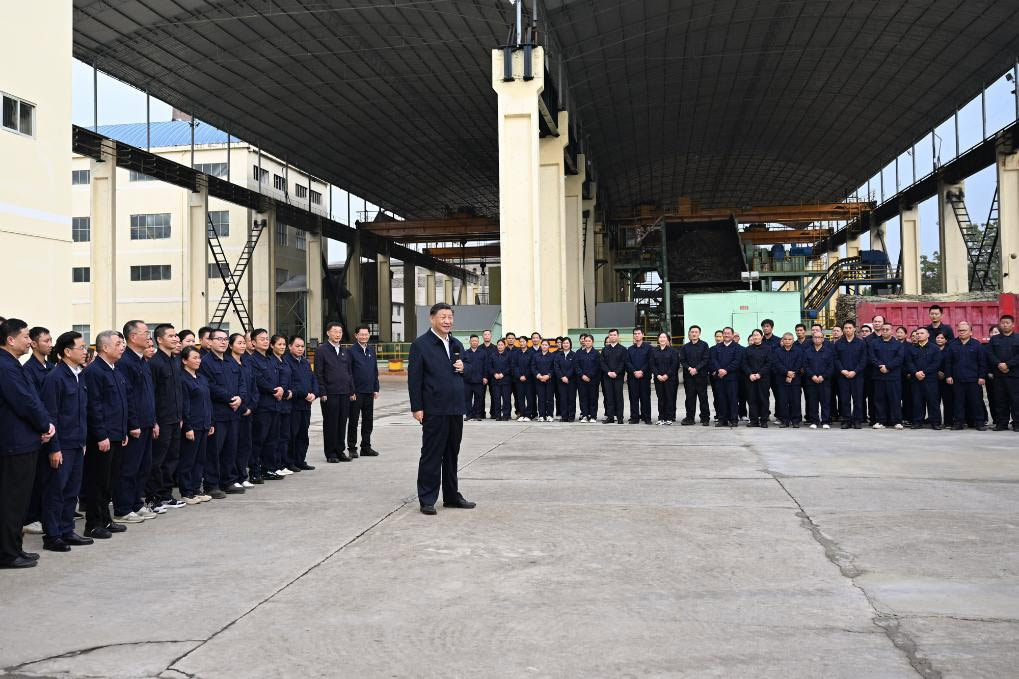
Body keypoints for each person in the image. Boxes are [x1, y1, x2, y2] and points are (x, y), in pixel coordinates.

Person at [408, 303, 475, 515]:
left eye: (450, 317)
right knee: (431, 454)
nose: (447, 321)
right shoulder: (421, 345)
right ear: (432, 319)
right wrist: (417, 407)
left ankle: (451, 496)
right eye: (443, 317)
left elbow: (470, 370)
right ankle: (427, 498)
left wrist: (465, 367)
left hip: (456, 408)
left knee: (452, 454)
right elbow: (414, 378)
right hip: (434, 409)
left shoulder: (456, 344)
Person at [0, 319, 55, 567]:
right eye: (25, 336)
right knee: (12, 501)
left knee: (18, 501)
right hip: (14, 443)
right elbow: (24, 402)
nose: (28, 341)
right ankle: (8, 553)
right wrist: (45, 425)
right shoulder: (5, 366)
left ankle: (15, 549)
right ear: (10, 340)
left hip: (23, 440)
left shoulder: (12, 363)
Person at [40, 331, 93, 552]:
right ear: (67, 352)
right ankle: (52, 536)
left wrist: (83, 441)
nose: (85, 352)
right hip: (61, 445)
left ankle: (66, 530)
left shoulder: (79, 375)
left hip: (77, 443)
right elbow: (51, 415)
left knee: (72, 490)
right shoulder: (55, 378)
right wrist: (54, 448)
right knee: (56, 491)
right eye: (81, 348)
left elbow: (81, 412)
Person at [81, 330, 132, 540]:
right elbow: (94, 407)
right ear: (104, 347)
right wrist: (101, 435)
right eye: (118, 343)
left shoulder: (114, 370)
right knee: (97, 481)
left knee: (109, 481)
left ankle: (106, 518)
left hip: (116, 434)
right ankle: (93, 524)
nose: (122, 346)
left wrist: (123, 430)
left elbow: (120, 404)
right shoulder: (94, 372)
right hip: (101, 438)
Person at [114, 320, 157, 523]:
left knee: (143, 466)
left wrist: (153, 420)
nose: (149, 337)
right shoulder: (125, 362)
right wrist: (133, 423)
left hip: (147, 422)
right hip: (135, 425)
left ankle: (136, 503)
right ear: (132, 337)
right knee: (129, 467)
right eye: (145, 333)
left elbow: (148, 394)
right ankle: (123, 507)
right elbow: (127, 396)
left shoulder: (142, 360)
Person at [199, 328, 246, 496]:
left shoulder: (231, 361)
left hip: (233, 413)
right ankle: (212, 485)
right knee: (214, 451)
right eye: (219, 339)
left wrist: (240, 397)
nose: (223, 342)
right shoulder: (205, 362)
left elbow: (242, 382)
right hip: (217, 414)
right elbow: (210, 386)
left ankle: (229, 481)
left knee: (230, 449)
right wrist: (230, 398)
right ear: (210, 342)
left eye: (225, 339)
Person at [148, 324, 183, 513]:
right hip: (161, 419)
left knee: (172, 458)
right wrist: (154, 421)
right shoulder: (154, 363)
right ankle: (154, 497)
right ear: (159, 340)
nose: (175, 338)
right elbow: (152, 394)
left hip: (175, 418)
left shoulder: (175, 360)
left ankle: (167, 494)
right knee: (158, 460)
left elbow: (178, 392)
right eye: (170, 335)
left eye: (176, 335)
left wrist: (180, 416)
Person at [21, 326, 52, 537]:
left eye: (51, 340)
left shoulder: (51, 367)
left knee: (48, 476)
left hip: (51, 427)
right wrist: (42, 426)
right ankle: (31, 517)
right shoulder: (28, 370)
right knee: (36, 477)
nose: (50, 344)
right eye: (46, 340)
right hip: (39, 429)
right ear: (33, 343)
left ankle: (43, 513)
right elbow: (33, 402)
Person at [178, 346, 213, 505]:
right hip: (192, 425)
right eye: (194, 358)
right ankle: (187, 492)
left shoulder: (201, 378)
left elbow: (208, 401)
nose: (198, 360)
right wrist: (188, 427)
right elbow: (184, 405)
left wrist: (210, 421)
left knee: (200, 459)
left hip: (204, 424)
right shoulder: (182, 379)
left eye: (199, 358)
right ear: (184, 360)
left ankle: (196, 488)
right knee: (188, 460)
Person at [315, 322, 354, 462]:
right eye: (335, 331)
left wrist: (351, 390)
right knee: (331, 423)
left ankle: (340, 451)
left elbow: (349, 372)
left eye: (340, 332)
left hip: (344, 392)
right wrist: (322, 391)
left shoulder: (345, 351)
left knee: (342, 422)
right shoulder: (321, 350)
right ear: (328, 333)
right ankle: (331, 453)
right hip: (329, 393)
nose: (338, 334)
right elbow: (318, 373)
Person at [249, 329, 283, 480]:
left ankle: (269, 469)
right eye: (261, 339)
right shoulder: (251, 360)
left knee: (272, 439)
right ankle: (255, 471)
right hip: (262, 405)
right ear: (253, 343)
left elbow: (280, 376)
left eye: (267, 338)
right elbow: (258, 379)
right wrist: (273, 390)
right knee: (259, 439)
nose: (265, 341)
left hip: (275, 404)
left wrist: (281, 388)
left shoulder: (271, 359)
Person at [945, 321, 989, 430]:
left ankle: (979, 422)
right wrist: (948, 375)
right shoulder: (952, 345)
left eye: (964, 330)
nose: (961, 332)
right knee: (958, 401)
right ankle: (959, 422)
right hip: (957, 379)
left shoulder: (977, 345)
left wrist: (982, 376)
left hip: (973, 379)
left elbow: (982, 362)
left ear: (970, 332)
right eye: (959, 330)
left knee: (976, 401)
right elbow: (948, 362)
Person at [228, 333, 257, 486]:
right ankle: (233, 476)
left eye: (243, 343)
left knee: (246, 444)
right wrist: (242, 407)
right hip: (235, 410)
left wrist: (251, 406)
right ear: (231, 346)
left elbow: (253, 387)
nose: (242, 346)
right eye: (239, 343)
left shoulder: (247, 362)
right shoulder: (228, 363)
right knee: (233, 445)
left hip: (248, 411)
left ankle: (242, 475)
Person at [286, 336, 319, 470]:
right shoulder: (286, 362)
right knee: (292, 434)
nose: (300, 349)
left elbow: (313, 379)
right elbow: (291, 384)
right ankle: (290, 461)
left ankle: (301, 460)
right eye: (297, 346)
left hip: (306, 405)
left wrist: (314, 394)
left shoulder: (305, 362)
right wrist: (305, 394)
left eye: (302, 346)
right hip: (294, 405)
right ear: (290, 346)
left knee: (303, 434)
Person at [348, 325, 380, 457]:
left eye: (366, 334)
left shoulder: (371, 350)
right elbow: (348, 373)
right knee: (354, 421)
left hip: (369, 392)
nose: (364, 337)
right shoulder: (351, 351)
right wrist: (351, 391)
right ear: (356, 335)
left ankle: (366, 447)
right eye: (361, 334)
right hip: (356, 392)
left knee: (368, 420)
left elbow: (375, 371)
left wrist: (376, 388)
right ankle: (352, 448)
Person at [906, 328, 943, 430]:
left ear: (928, 335)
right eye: (917, 334)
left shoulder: (934, 348)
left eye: (921, 333)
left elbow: (936, 363)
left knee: (933, 401)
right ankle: (918, 421)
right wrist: (915, 372)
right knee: (917, 401)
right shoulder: (911, 348)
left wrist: (924, 372)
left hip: (930, 379)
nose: (919, 335)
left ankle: (935, 422)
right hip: (916, 379)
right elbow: (909, 362)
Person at [869, 323, 905, 429]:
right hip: (878, 376)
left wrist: (888, 367)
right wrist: (880, 366)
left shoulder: (898, 344)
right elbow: (872, 357)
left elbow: (899, 358)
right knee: (879, 399)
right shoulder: (874, 343)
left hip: (893, 377)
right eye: (883, 329)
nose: (885, 331)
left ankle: (897, 421)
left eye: (887, 329)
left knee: (895, 399)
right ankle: (880, 421)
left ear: (891, 331)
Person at [988, 314, 1019, 431]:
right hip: (999, 375)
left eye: (1007, 323)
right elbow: (990, 354)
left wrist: (1008, 364)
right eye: (1002, 323)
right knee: (1000, 400)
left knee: (1016, 400)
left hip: (1014, 375)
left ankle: (1017, 423)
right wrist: (999, 364)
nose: (1005, 325)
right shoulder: (994, 339)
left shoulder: (1018, 338)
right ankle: (1002, 423)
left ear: (1013, 324)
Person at [834, 320, 867, 429]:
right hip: (842, 376)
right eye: (846, 328)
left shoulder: (861, 343)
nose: (848, 330)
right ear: (843, 330)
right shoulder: (838, 343)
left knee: (858, 400)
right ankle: (846, 420)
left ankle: (857, 420)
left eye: (850, 328)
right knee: (844, 399)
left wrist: (855, 371)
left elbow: (863, 360)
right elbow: (836, 359)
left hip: (857, 376)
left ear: (854, 329)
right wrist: (842, 370)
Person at [270, 335, 296, 474]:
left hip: (287, 404)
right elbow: (276, 381)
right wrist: (285, 392)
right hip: (277, 401)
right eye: (279, 344)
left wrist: (291, 391)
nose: (282, 347)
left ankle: (282, 463)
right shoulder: (271, 361)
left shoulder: (285, 360)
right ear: (272, 345)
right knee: (276, 436)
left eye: (283, 344)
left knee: (285, 436)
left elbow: (289, 379)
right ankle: (276, 464)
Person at [709, 327, 742, 427]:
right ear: (722, 335)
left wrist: (726, 370)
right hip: (720, 378)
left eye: (729, 333)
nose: (726, 335)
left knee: (733, 399)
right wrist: (719, 370)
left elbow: (737, 361)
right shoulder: (716, 347)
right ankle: (722, 419)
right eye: (725, 333)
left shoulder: (737, 348)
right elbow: (713, 360)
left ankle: (733, 419)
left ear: (732, 335)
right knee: (721, 399)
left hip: (732, 378)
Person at [803, 330, 834, 429]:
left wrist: (823, 376)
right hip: (811, 381)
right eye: (815, 337)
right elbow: (805, 365)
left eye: (820, 337)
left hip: (825, 381)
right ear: (812, 339)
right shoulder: (807, 351)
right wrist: (812, 376)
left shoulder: (828, 352)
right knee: (813, 402)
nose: (817, 339)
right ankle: (814, 421)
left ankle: (825, 421)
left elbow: (831, 366)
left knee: (825, 402)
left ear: (823, 339)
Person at [680, 325, 711, 425]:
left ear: (699, 333)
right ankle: (690, 418)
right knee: (689, 398)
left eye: (696, 332)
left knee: (703, 398)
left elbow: (706, 359)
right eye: (692, 332)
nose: (694, 334)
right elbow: (682, 360)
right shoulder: (685, 347)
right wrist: (690, 368)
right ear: (689, 333)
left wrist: (696, 369)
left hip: (701, 376)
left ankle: (705, 418)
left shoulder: (704, 345)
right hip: (689, 377)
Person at [772, 333, 804, 428]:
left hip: (795, 379)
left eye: (789, 339)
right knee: (783, 401)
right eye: (785, 339)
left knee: (795, 401)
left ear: (793, 340)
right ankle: (784, 421)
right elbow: (777, 364)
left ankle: (796, 421)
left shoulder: (798, 351)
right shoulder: (777, 351)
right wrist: (786, 373)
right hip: (781, 379)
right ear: (782, 340)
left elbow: (799, 363)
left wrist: (791, 374)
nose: (787, 341)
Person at [741, 329, 772, 428]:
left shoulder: (768, 349)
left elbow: (769, 363)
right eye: (754, 335)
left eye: (757, 335)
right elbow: (744, 364)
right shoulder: (747, 349)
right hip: (750, 379)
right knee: (752, 400)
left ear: (762, 336)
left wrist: (759, 374)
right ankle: (753, 420)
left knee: (763, 399)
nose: (755, 337)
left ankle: (763, 420)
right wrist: (750, 374)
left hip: (763, 379)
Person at [650, 332, 679, 425]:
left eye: (664, 337)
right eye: (660, 337)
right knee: (661, 398)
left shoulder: (673, 351)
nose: (662, 339)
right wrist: (657, 375)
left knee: (669, 398)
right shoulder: (654, 351)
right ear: (658, 339)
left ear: (667, 339)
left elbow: (675, 365)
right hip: (658, 379)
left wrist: (667, 375)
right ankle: (661, 417)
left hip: (669, 379)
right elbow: (652, 364)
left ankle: (669, 418)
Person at [625, 328, 653, 424]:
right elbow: (627, 362)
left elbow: (649, 361)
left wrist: (641, 371)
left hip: (644, 377)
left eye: (638, 333)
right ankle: (634, 418)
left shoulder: (649, 348)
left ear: (643, 335)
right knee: (633, 398)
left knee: (645, 398)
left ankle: (647, 418)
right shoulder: (630, 349)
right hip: (633, 377)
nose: (637, 335)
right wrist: (634, 372)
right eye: (635, 334)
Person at [600, 329, 627, 424]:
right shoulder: (605, 349)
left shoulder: (623, 349)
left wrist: (616, 372)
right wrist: (608, 372)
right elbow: (602, 363)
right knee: (609, 397)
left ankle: (620, 417)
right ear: (609, 336)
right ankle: (610, 417)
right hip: (607, 377)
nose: (612, 336)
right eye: (611, 335)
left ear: (618, 336)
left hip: (618, 377)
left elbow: (623, 363)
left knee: (619, 397)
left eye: (614, 335)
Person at [574, 333, 600, 422]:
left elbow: (597, 366)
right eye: (586, 341)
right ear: (583, 342)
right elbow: (576, 365)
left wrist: (589, 376)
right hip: (581, 380)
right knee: (583, 398)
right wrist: (582, 375)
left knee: (593, 398)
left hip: (593, 380)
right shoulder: (579, 353)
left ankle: (593, 416)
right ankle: (584, 415)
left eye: (589, 341)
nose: (587, 342)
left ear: (593, 342)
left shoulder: (596, 353)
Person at [462, 334, 487, 422]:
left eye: (476, 341)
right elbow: (463, 366)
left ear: (478, 342)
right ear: (470, 342)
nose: (474, 342)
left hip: (479, 380)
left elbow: (485, 366)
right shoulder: (465, 353)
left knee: (479, 398)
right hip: (467, 380)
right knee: (467, 399)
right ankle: (469, 415)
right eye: (472, 341)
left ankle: (477, 415)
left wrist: (485, 377)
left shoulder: (483, 353)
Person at [553, 337, 578, 422]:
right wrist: (562, 377)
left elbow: (574, 367)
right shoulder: (558, 355)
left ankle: (571, 416)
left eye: (567, 343)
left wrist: (567, 376)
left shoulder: (574, 355)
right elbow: (556, 367)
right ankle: (564, 416)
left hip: (571, 381)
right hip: (561, 381)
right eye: (564, 343)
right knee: (562, 399)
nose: (565, 345)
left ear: (570, 344)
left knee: (571, 399)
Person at [486, 339, 512, 421]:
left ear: (504, 346)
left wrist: (503, 374)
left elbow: (510, 366)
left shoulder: (508, 355)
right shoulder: (492, 355)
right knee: (496, 399)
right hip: (495, 380)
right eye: (499, 345)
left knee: (506, 399)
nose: (500, 346)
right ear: (497, 346)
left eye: (501, 345)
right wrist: (494, 374)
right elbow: (489, 366)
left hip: (506, 380)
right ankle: (498, 415)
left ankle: (506, 415)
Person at [531, 339, 555, 422]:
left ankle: (549, 415)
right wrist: (539, 376)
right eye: (543, 345)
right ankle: (541, 415)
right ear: (541, 346)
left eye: (546, 345)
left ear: (548, 346)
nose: (544, 346)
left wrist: (548, 376)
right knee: (541, 398)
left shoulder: (552, 356)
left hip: (549, 380)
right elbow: (533, 367)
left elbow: (553, 367)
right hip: (539, 380)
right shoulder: (536, 355)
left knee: (549, 398)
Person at [480, 329, 496, 419]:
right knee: (481, 395)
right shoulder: (479, 348)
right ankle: (481, 413)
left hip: (493, 375)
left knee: (494, 395)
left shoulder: (495, 348)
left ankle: (493, 413)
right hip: (482, 376)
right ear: (483, 336)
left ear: (491, 336)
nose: (486, 336)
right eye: (485, 334)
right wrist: (483, 376)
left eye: (488, 334)